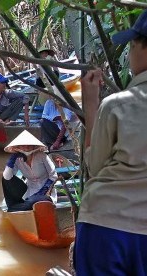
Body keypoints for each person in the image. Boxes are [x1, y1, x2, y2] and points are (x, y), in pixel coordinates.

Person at [74, 10, 147, 275]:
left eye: (132, 44)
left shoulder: (119, 104)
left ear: (141, 48)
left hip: (107, 226)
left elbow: (95, 165)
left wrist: (90, 103)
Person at [1, 130, 58, 212]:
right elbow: (7, 177)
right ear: (18, 147)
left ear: (34, 146)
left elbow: (54, 176)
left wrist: (42, 192)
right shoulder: (17, 159)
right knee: (4, 181)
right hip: (29, 192)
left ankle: (19, 207)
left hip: (47, 192)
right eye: (23, 145)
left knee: (30, 203)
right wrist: (12, 159)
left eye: (29, 145)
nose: (26, 147)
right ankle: (19, 207)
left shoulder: (42, 156)